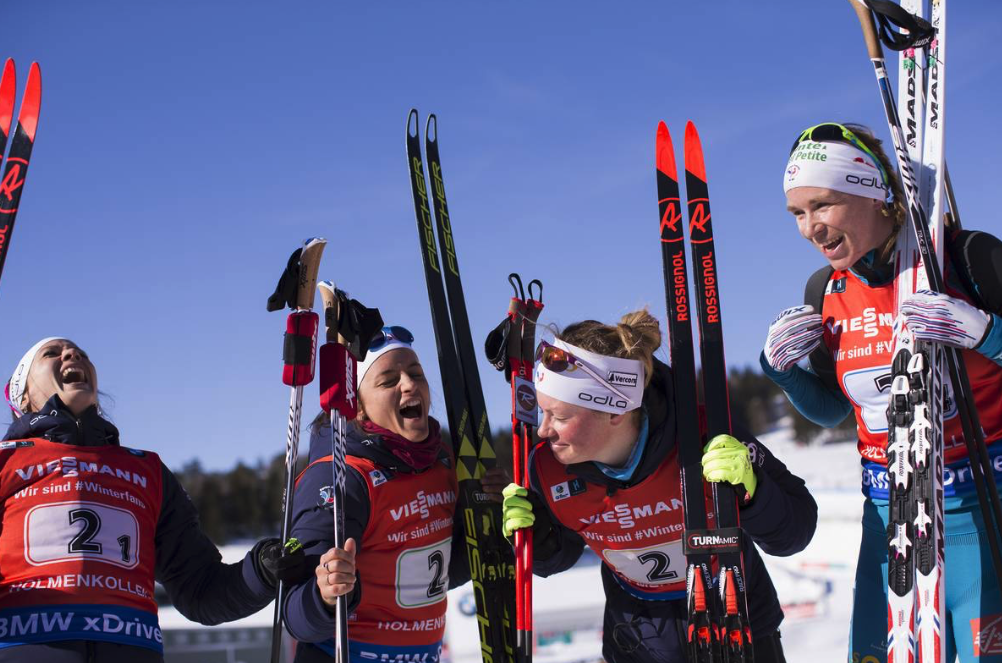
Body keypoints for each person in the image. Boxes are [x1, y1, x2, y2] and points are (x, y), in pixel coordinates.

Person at [762, 122, 1002, 662]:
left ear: (873, 193)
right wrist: (780, 370)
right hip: (889, 518)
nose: (809, 229)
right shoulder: (825, 290)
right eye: (797, 213)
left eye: (822, 205)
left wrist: (986, 334)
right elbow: (830, 410)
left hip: (982, 506)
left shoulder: (968, 258)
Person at [501, 309, 817, 662]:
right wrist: (536, 539)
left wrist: (752, 490)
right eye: (543, 413)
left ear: (614, 411)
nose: (544, 431)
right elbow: (559, 553)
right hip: (638, 641)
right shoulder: (549, 467)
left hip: (736, 627)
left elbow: (796, 531)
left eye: (559, 417)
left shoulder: (703, 435)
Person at [0, 337, 300, 662]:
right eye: (51, 353)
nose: (72, 354)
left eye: (81, 353)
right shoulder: (7, 462)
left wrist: (261, 572)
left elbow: (200, 589)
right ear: (24, 395)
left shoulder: (147, 470)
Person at [283, 325, 478, 663]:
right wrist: (323, 595)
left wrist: (489, 520)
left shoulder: (442, 463)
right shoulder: (341, 476)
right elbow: (294, 615)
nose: (409, 383)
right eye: (389, 381)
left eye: (416, 373)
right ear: (357, 408)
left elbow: (440, 572)